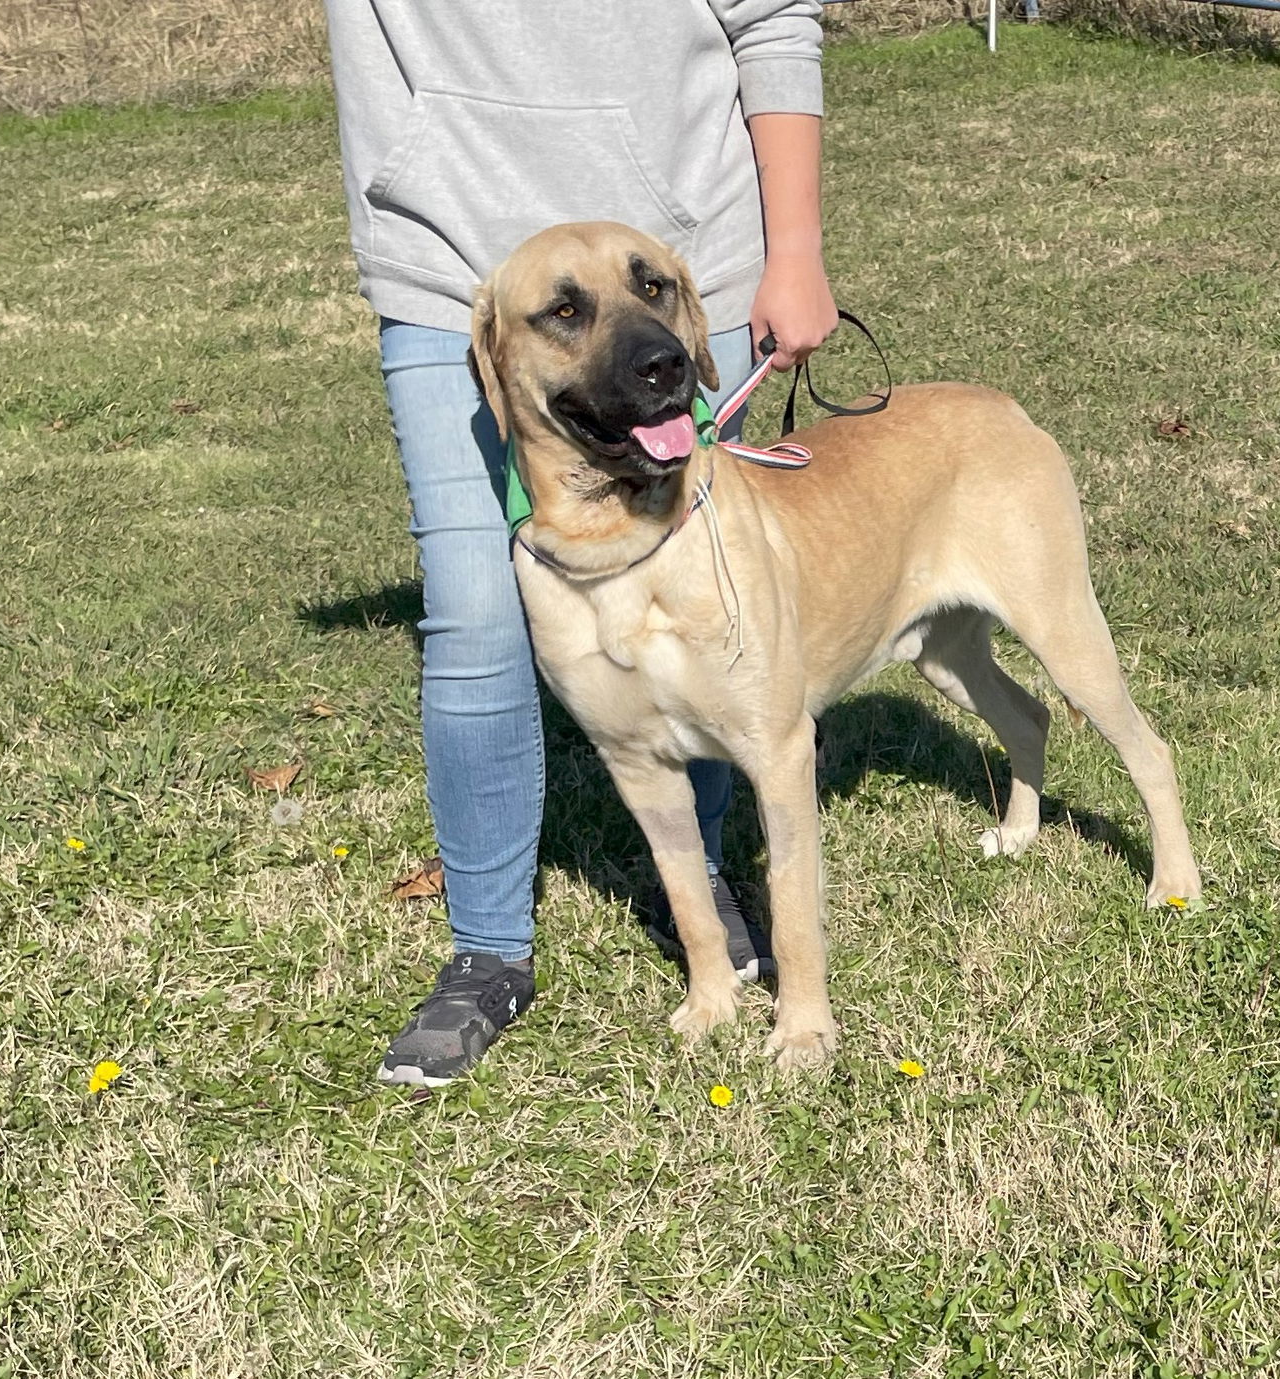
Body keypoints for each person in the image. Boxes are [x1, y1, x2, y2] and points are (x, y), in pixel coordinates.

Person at [320, 1, 838, 1085]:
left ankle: (700, 897)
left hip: (675, 253)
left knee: (705, 620)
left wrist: (793, 250)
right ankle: (489, 948)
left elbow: (773, 17)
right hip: (448, 257)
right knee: (474, 610)